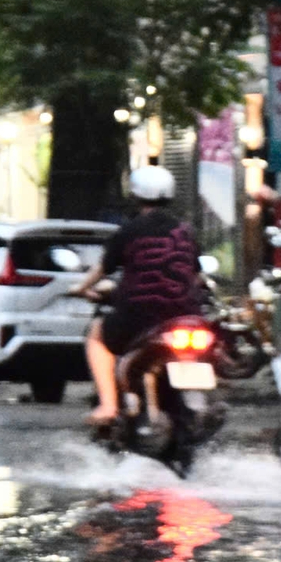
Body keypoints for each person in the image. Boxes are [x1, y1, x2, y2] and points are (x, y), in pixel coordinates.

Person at [72, 165, 201, 427]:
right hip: (187, 315)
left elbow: (102, 269)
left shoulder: (129, 231)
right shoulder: (186, 231)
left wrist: (81, 288)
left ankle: (108, 406)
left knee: (97, 336)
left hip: (140, 315)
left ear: (135, 195)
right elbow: (195, 274)